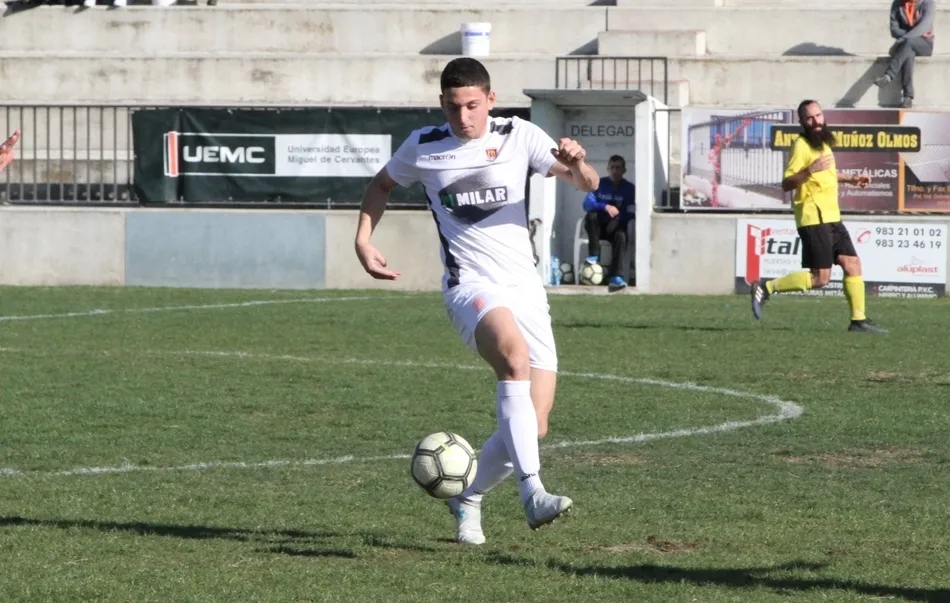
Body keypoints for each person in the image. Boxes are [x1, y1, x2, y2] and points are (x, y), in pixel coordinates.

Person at [354, 58, 599, 545]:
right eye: (452, 107)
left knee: (535, 424)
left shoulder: (518, 135)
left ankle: (467, 497)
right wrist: (363, 240)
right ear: (441, 104)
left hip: (526, 289)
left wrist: (576, 162)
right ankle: (533, 492)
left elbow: (586, 183)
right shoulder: (423, 146)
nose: (463, 117)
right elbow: (381, 184)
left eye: (471, 105)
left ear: (490, 98)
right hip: (470, 286)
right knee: (513, 358)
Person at [751, 101, 887, 333]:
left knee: (852, 264)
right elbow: (787, 183)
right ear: (802, 122)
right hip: (813, 217)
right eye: (809, 118)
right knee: (820, 278)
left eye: (818, 115)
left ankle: (858, 321)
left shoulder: (823, 143)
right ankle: (766, 287)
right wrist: (809, 170)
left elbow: (828, 173)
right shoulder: (801, 145)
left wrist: (851, 179)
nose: (815, 121)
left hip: (832, 216)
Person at [582, 154, 635, 291]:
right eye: (612, 168)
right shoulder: (599, 184)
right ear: (608, 169)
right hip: (597, 228)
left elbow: (631, 212)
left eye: (618, 168)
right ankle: (593, 255)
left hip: (614, 228)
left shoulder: (629, 188)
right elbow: (587, 204)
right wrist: (605, 206)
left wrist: (618, 219)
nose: (615, 171)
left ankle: (615, 276)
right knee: (591, 215)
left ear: (624, 170)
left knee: (621, 235)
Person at [874, 0, 935, 109]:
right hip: (906, 45)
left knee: (908, 43)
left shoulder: (928, 2)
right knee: (908, 53)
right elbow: (894, 30)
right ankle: (908, 97)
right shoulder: (897, 4)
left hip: (924, 43)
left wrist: (902, 40)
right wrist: (907, 38)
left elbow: (924, 27)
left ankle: (889, 75)